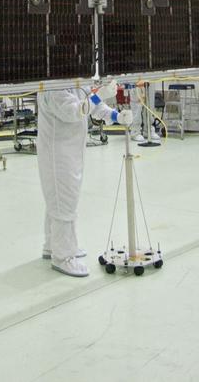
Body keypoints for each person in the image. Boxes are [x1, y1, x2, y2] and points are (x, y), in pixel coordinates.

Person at [37, 86, 131, 277]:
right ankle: (63, 257)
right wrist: (98, 96)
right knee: (63, 200)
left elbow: (93, 105)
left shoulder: (75, 81)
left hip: (71, 149)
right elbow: (74, 111)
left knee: (58, 199)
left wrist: (115, 116)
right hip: (57, 151)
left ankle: (52, 245)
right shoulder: (52, 87)